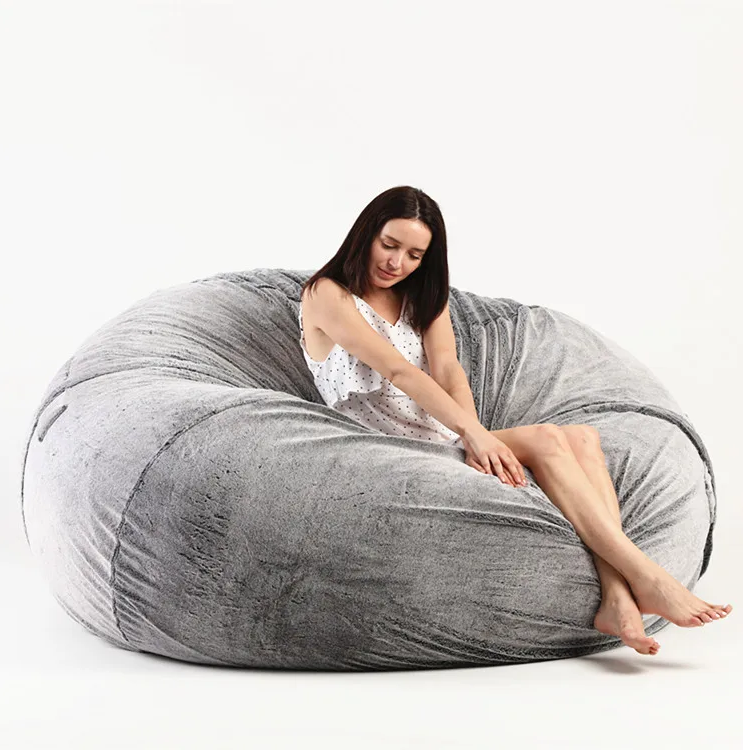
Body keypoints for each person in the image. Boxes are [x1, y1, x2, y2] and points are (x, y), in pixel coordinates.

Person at [298, 184, 732, 656]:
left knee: (583, 439)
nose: (397, 262)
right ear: (366, 234)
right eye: (389, 244)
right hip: (389, 451)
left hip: (443, 436)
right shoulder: (327, 294)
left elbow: (448, 369)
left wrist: (473, 435)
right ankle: (646, 575)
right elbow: (399, 371)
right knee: (547, 440)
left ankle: (616, 596)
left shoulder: (421, 297)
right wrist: (473, 433)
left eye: (414, 255)